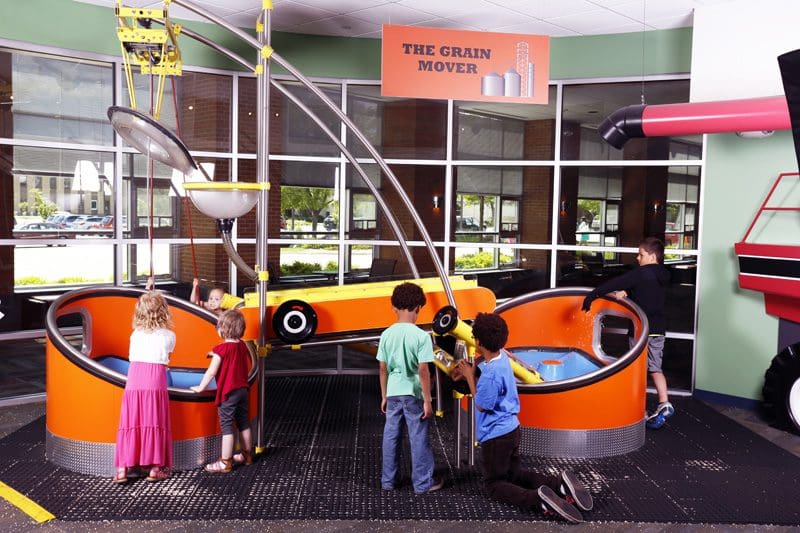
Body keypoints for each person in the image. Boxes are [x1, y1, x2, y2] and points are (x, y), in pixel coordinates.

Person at [452, 312, 593, 523]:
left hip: (495, 437)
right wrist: (472, 372)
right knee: (514, 474)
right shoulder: (502, 360)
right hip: (512, 430)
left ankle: (537, 500)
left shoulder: (489, 373)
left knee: (494, 484)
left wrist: (471, 377)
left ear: (478, 341)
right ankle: (559, 485)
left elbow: (482, 404)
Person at [581, 236, 673, 429]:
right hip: (658, 329)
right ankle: (665, 402)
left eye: (641, 255)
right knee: (655, 368)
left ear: (652, 256)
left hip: (641, 329)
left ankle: (636, 409)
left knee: (637, 369)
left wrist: (591, 296)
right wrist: (629, 293)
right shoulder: (663, 274)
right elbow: (649, 293)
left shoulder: (641, 273)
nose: (638, 259)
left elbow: (613, 283)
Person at [377, 282, 443, 494]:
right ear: (418, 308)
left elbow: (382, 368)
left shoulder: (386, 334)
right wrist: (427, 400)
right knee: (418, 437)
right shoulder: (422, 336)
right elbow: (423, 371)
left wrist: (384, 395)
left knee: (391, 436)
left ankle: (388, 482)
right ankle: (422, 484)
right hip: (414, 393)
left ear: (393, 307)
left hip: (393, 392)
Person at [113, 291, 175, 483]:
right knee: (154, 421)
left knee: (131, 422)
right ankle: (155, 468)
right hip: (155, 379)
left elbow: (134, 357)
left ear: (139, 312)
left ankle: (123, 469)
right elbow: (167, 358)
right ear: (163, 312)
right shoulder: (169, 335)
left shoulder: (136, 334)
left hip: (134, 379)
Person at [190, 309, 254, 473]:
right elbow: (230, 353)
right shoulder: (242, 345)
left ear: (222, 330)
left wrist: (201, 387)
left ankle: (225, 462)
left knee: (227, 428)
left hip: (228, 393)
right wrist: (216, 353)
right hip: (242, 391)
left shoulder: (221, 350)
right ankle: (247, 455)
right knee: (243, 423)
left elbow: (211, 372)